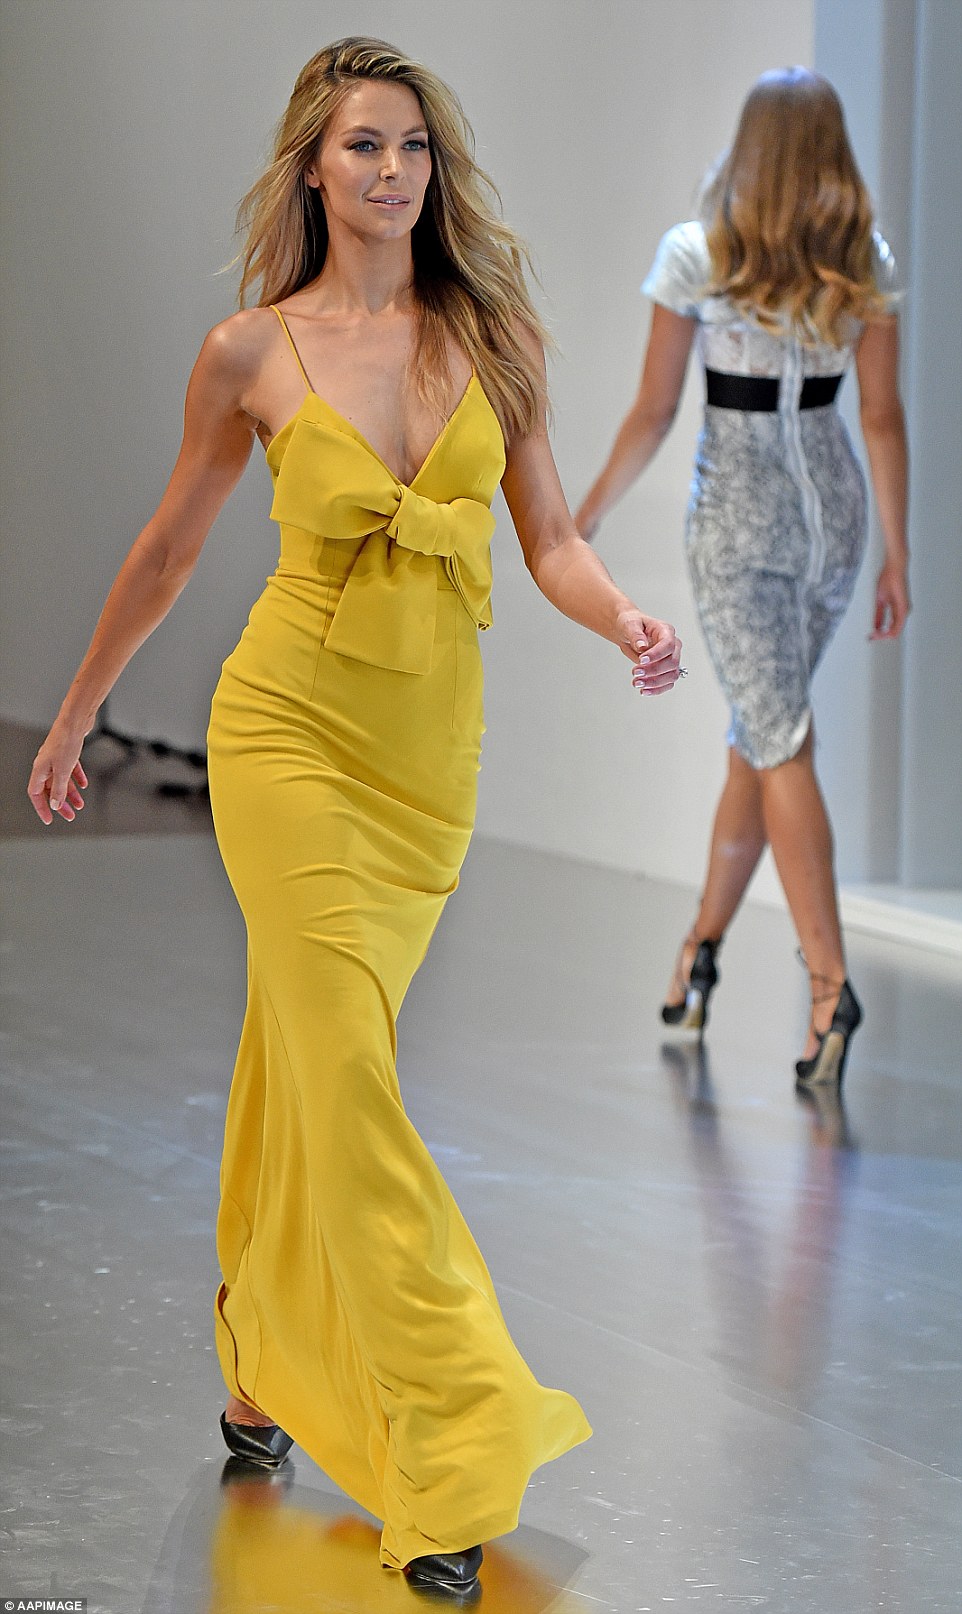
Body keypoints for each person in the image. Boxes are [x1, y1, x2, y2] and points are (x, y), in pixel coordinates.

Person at [27, 38, 682, 1599]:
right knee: (346, 1077)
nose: (391, 170)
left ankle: (258, 1362)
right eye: (362, 145)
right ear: (313, 170)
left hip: (425, 764)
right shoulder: (249, 350)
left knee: (306, 1056)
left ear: (433, 172)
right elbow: (169, 549)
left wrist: (622, 619)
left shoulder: (497, 336)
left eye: (412, 147)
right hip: (287, 735)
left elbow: (549, 540)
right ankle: (447, 1444)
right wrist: (72, 714)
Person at [575, 67, 909, 1088]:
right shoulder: (861, 261)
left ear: (750, 145)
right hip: (834, 526)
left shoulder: (699, 254)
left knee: (778, 743)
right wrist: (895, 551)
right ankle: (701, 955)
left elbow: (654, 411)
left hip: (736, 531)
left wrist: (581, 516)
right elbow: (881, 419)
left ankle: (829, 989)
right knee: (759, 742)